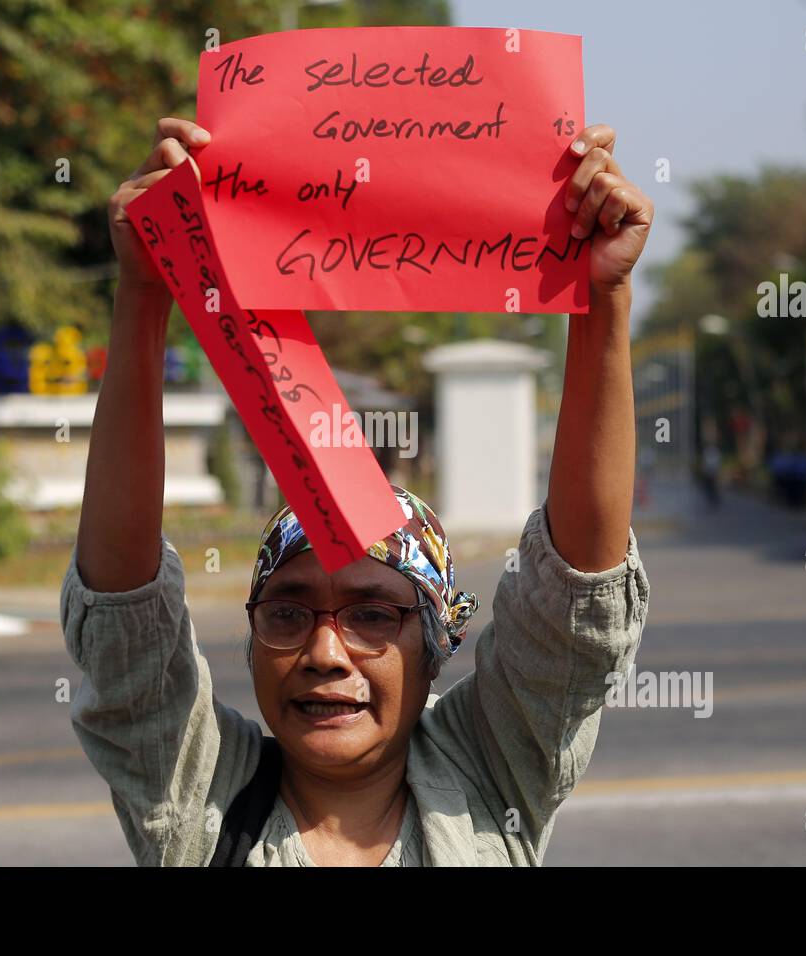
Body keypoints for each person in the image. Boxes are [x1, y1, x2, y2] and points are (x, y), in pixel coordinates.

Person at [61, 117, 654, 866]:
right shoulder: (200, 800)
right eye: (287, 610)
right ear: (249, 639)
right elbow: (124, 624)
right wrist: (145, 290)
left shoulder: (493, 769)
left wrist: (604, 301)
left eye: (374, 614)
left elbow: (575, 609)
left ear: (434, 646)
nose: (324, 651)